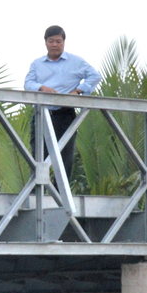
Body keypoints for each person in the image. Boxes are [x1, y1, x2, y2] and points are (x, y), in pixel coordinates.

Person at [24, 25, 102, 186]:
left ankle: (61, 197)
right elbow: (28, 83)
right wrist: (41, 87)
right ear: (45, 42)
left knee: (64, 157)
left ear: (64, 42)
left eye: (58, 41)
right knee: (38, 157)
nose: (54, 44)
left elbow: (94, 76)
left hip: (64, 114)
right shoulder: (37, 64)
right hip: (41, 114)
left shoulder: (76, 61)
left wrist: (78, 91)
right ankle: (35, 194)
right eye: (51, 41)